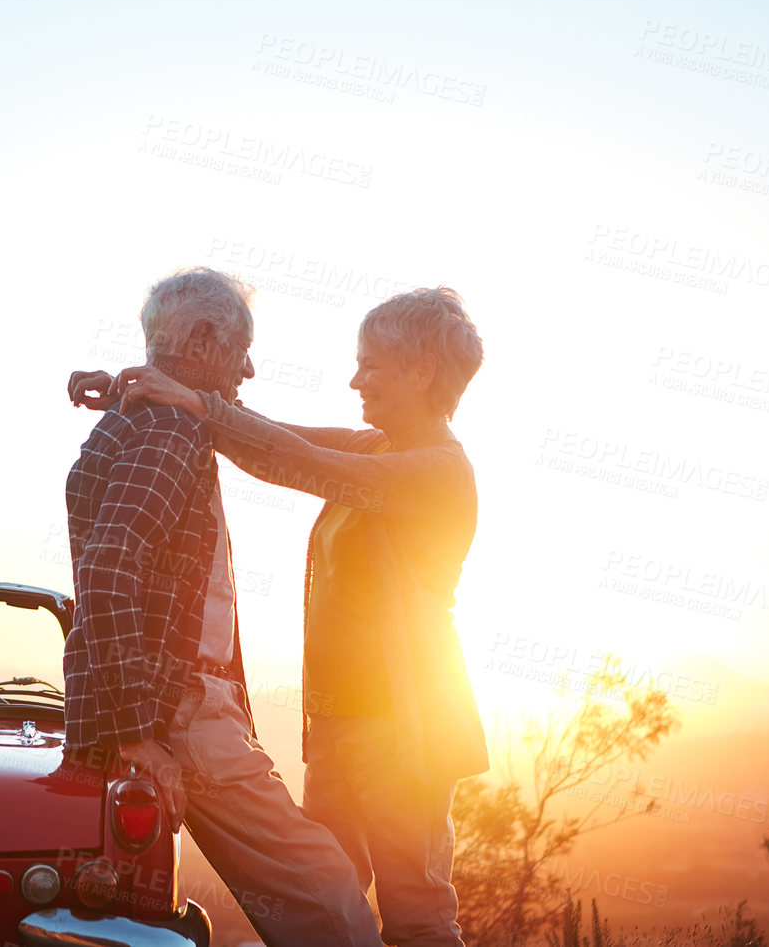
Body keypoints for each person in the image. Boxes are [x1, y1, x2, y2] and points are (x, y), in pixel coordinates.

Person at [74, 286, 486, 947]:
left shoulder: (438, 472)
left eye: (371, 365)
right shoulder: (375, 445)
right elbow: (261, 440)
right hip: (338, 725)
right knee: (327, 899)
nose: (355, 378)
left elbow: (303, 463)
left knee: (418, 916)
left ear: (422, 372)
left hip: (405, 727)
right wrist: (138, 390)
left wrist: (197, 403)